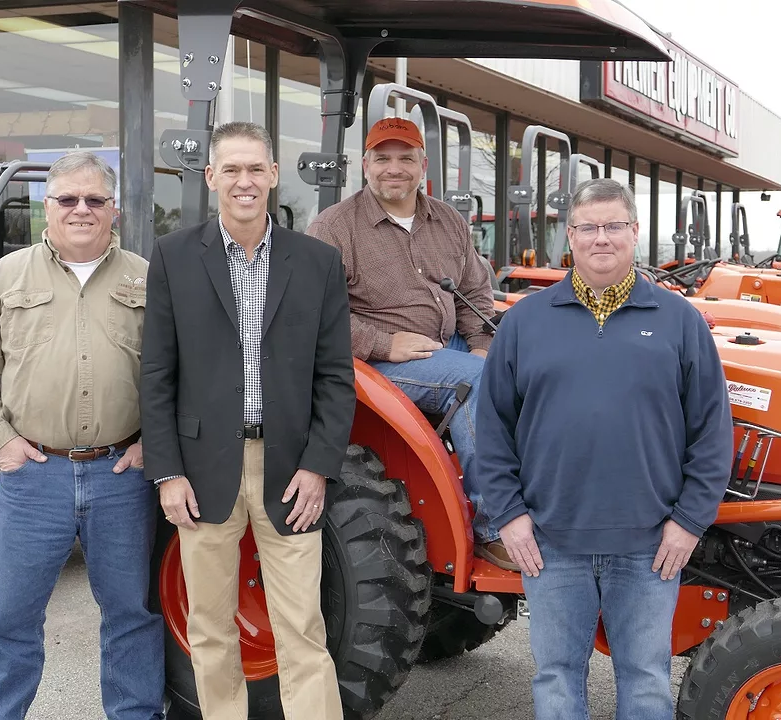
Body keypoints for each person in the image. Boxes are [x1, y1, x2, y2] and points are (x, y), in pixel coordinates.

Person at [473, 178, 734, 719]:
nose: (601, 239)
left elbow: (711, 430)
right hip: (550, 543)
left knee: (644, 683)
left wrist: (689, 521)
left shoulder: (679, 321)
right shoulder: (526, 320)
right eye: (588, 227)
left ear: (635, 232)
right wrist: (509, 517)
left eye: (613, 226)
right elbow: (492, 427)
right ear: (569, 235)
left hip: (649, 545)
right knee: (556, 680)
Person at [140, 121, 355, 720]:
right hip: (203, 471)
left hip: (289, 470)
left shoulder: (317, 262)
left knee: (303, 631)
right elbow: (157, 374)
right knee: (210, 629)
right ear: (210, 177)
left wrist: (318, 467)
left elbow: (336, 376)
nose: (244, 181)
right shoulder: (174, 257)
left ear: (274, 176)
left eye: (255, 168)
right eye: (230, 169)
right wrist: (167, 473)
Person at [0, 151, 165, 719]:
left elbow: (179, 375)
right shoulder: (3, 278)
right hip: (32, 479)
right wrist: (1, 441)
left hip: (123, 475)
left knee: (131, 617)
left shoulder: (149, 279)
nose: (81, 210)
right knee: (13, 619)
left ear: (113, 209)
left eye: (94, 199)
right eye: (67, 199)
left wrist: (153, 444)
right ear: (47, 206)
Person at [306, 117, 514, 570]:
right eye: (382, 158)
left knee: (530, 365)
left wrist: (480, 343)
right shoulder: (334, 228)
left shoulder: (448, 220)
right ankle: (494, 527)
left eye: (405, 158)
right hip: (374, 367)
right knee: (479, 381)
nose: (393, 168)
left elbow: (475, 293)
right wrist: (383, 343)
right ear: (365, 165)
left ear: (423, 166)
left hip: (445, 349)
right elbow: (313, 315)